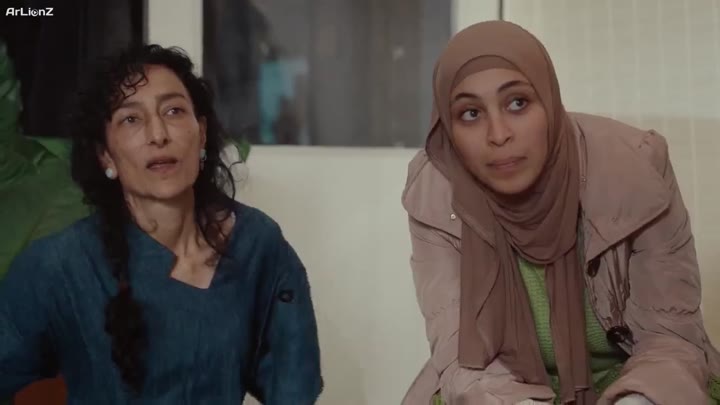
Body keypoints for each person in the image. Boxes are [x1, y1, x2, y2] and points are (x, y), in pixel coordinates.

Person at [401, 20, 720, 405]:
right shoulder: (436, 194)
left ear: (549, 100)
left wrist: (636, 401)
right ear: (448, 129)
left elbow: (670, 337)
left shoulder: (635, 168)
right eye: (470, 113)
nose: (498, 134)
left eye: (517, 103)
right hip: (501, 387)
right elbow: (458, 352)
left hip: (637, 378)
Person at [0, 45, 323, 404]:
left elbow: (294, 386)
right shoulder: (62, 263)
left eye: (173, 111)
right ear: (106, 154)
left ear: (201, 133)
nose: (158, 134)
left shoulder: (256, 242)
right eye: (131, 119)